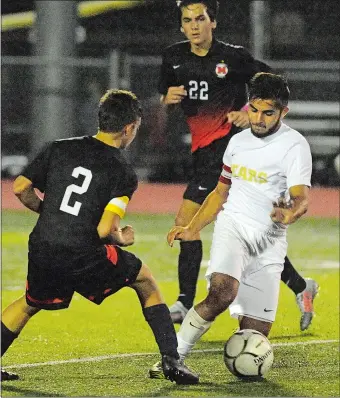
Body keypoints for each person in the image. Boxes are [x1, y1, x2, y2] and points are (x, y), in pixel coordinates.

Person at [1, 89, 198, 385]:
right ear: (129, 127)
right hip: (83, 252)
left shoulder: (58, 147)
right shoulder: (122, 171)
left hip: (44, 244)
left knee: (30, 302)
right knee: (145, 281)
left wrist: (49, 212)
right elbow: (105, 230)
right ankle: (171, 360)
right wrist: (121, 238)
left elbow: (20, 188)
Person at [158, 0, 318, 330]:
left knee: (190, 223)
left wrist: (248, 111)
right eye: (187, 20)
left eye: (200, 18)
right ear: (181, 26)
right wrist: (166, 99)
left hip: (235, 155)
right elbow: (166, 92)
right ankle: (302, 287)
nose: (194, 26)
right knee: (250, 238)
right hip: (203, 155)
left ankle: (185, 303)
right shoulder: (173, 58)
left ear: (212, 22)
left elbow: (271, 83)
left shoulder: (233, 57)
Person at [152, 72, 314, 378]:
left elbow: (301, 198)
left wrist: (289, 215)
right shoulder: (237, 142)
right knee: (222, 293)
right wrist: (193, 228)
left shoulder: (294, 146)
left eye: (269, 112)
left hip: (268, 244)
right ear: (247, 105)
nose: (259, 118)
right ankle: (170, 360)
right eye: (254, 109)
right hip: (233, 228)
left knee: (254, 337)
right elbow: (221, 192)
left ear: (284, 112)